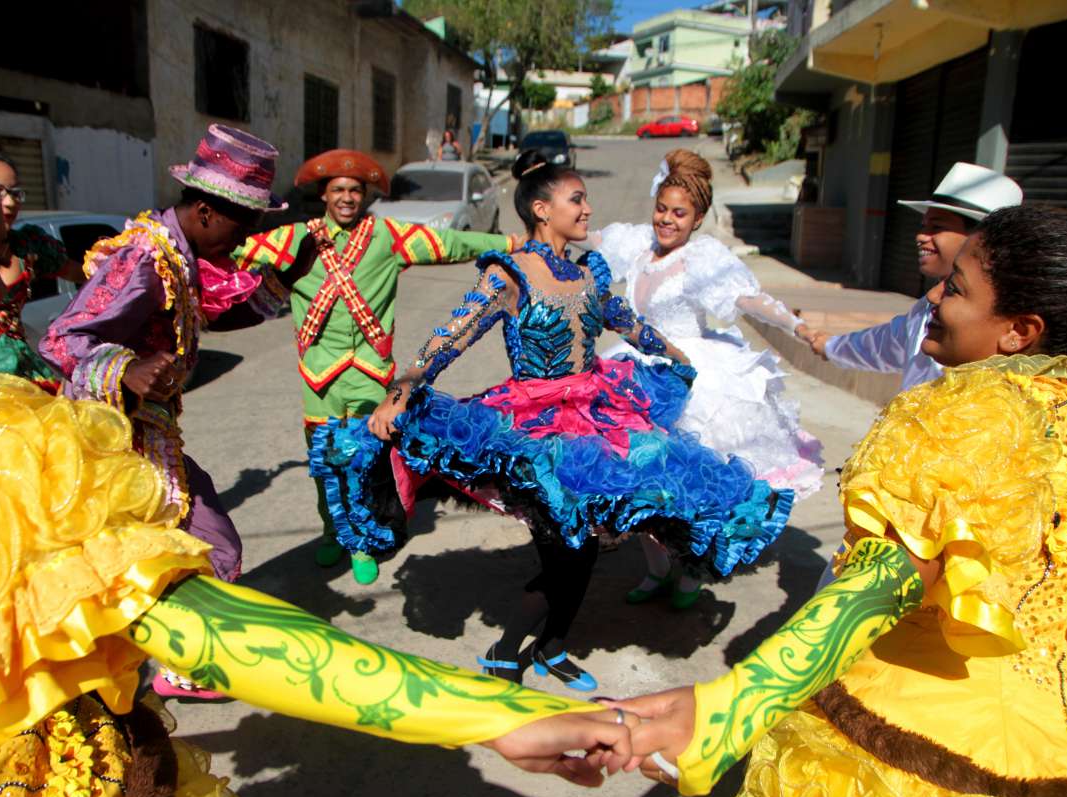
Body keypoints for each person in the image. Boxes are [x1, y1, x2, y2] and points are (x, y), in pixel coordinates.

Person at [0, 108, 640, 797]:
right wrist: (485, 713)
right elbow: (212, 622)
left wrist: (283, 290)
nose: (8, 290)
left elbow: (250, 299)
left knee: (234, 529)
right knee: (215, 545)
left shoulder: (303, 248)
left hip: (330, 391)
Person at [611, 204, 1067, 797]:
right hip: (1065, 746)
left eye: (958, 288)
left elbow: (890, 577)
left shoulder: (970, 412)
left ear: (1018, 331)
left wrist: (733, 706)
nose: (937, 296)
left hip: (924, 738)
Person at [311, 149, 794, 694]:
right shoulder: (509, 274)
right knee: (569, 545)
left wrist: (675, 356)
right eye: (577, 199)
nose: (588, 210)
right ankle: (505, 651)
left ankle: (552, 647)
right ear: (542, 210)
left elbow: (622, 319)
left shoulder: (590, 271)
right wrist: (402, 391)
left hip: (596, 413)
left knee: (585, 541)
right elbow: (451, 335)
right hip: (534, 426)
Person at [38, 124, 302, 699]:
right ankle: (145, 672)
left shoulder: (177, 253)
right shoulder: (142, 256)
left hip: (149, 432)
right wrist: (123, 371)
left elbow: (212, 312)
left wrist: (287, 279)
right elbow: (61, 340)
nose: (246, 238)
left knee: (192, 550)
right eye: (243, 224)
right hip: (113, 443)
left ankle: (152, 667)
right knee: (196, 546)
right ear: (206, 211)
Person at [234, 148, 518, 585]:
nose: (347, 197)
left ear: (363, 195)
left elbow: (451, 243)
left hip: (371, 376)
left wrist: (510, 244)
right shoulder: (293, 240)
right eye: (338, 190)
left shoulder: (387, 236)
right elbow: (233, 250)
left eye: (354, 190)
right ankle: (333, 532)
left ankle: (364, 539)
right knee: (326, 461)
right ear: (324, 196)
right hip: (319, 379)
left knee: (370, 461)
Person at [597, 150, 822, 610]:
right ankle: (656, 569)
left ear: (697, 219)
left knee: (687, 488)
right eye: (662, 209)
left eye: (679, 213)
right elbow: (588, 236)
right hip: (635, 375)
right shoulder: (636, 245)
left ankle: (688, 573)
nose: (666, 220)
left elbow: (749, 299)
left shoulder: (701, 259)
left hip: (688, 378)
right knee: (640, 481)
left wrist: (797, 327)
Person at [799, 162, 1023, 391]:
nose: (920, 236)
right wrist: (831, 346)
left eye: (936, 227)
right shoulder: (925, 309)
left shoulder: (1002, 320)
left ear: (979, 238)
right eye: (923, 225)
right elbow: (881, 344)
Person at [0, 120, 85, 390]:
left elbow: (79, 273)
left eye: (15, 192)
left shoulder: (26, 245)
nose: (10, 202)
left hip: (22, 375)